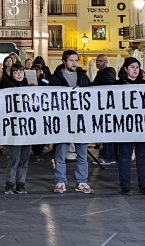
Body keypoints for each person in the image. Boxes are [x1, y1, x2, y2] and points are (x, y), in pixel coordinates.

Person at [48, 50, 93, 194]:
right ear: (64, 61)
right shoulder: (55, 78)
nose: (74, 63)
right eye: (71, 60)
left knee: (82, 153)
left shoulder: (83, 77)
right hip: (62, 120)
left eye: (76, 60)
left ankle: (82, 182)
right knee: (61, 153)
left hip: (80, 120)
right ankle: (61, 181)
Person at [115, 57, 145, 195]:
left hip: (142, 127)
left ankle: (144, 185)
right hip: (125, 127)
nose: (135, 69)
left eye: (137, 67)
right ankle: (125, 185)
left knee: (142, 156)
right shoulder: (117, 85)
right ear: (125, 69)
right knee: (125, 156)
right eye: (132, 67)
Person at [0, 66, 32, 194]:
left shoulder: (29, 86)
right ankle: (10, 183)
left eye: (21, 72)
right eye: (16, 72)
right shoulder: (6, 86)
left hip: (27, 128)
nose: (19, 74)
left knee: (24, 158)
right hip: (13, 128)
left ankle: (21, 183)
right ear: (11, 73)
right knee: (14, 158)